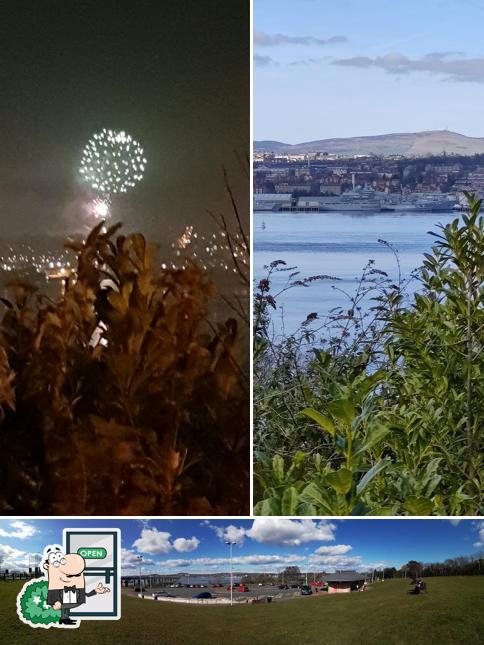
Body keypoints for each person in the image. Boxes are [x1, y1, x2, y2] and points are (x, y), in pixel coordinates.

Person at [44, 547, 110, 626]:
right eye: (69, 576)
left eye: (78, 575)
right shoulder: (55, 588)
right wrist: (54, 602)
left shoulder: (76, 588)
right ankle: (63, 619)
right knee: (64, 606)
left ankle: (65, 618)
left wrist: (95, 591)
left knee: (66, 606)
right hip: (61, 598)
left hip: (68, 597)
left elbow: (86, 594)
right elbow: (53, 598)